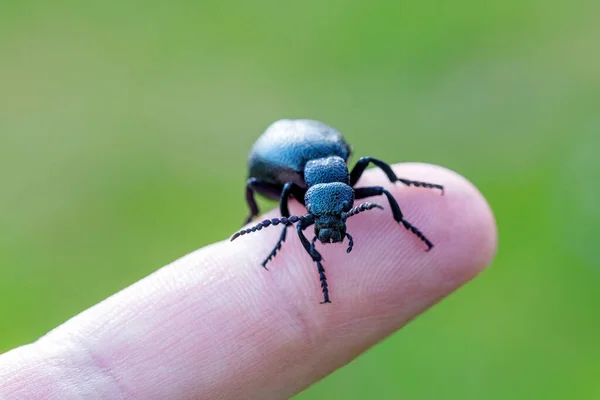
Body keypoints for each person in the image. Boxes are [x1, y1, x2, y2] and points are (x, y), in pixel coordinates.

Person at [0, 163, 497, 399]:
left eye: (336, 217)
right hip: (282, 159)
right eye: (322, 221)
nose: (330, 229)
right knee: (276, 202)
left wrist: (403, 211)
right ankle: (260, 223)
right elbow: (283, 196)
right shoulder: (294, 190)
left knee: (377, 192)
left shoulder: (349, 180)